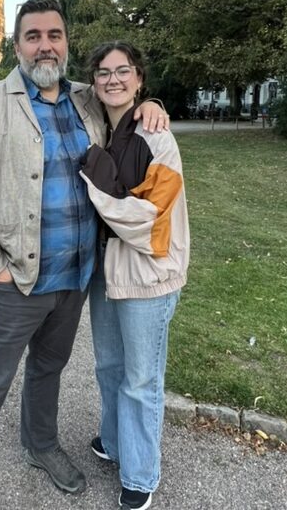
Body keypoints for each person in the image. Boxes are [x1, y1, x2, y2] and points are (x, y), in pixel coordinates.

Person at [0, 0, 169, 510]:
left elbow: (123, 99)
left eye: (55, 35)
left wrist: (151, 104)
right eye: (34, 36)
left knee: (48, 368)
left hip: (74, 279)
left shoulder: (86, 100)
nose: (45, 46)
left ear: (66, 43)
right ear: (16, 46)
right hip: (13, 282)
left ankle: (40, 444)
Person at [80, 41, 190, 510]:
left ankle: (141, 474)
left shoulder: (156, 136)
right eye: (103, 73)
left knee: (141, 379)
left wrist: (91, 175)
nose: (113, 80)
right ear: (93, 82)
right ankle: (114, 441)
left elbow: (148, 215)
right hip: (106, 271)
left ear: (139, 78)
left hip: (147, 274)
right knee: (108, 366)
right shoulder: (97, 125)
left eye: (123, 71)